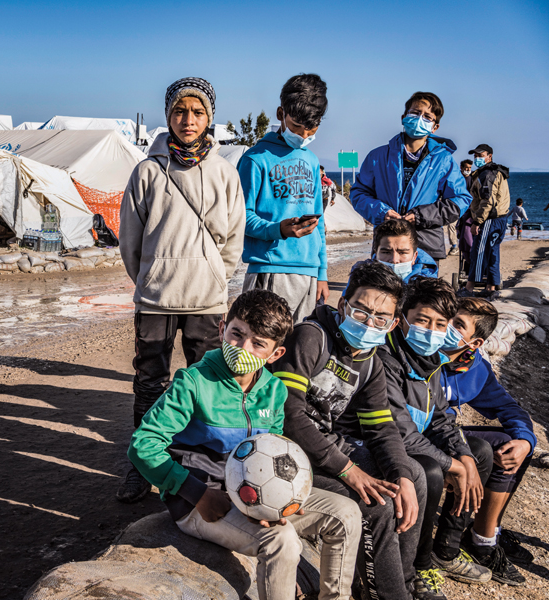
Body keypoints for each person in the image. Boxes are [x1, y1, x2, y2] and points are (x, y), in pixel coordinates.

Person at [128, 290, 362, 600]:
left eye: (258, 344)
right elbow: (143, 446)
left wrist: (276, 500)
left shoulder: (274, 390)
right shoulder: (193, 383)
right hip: (203, 501)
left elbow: (275, 447)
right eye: (237, 334)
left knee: (345, 513)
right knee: (281, 541)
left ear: (275, 354)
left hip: (252, 497)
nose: (243, 347)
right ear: (222, 327)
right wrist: (195, 493)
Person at [118, 77, 244, 503]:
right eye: (179, 111)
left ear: (210, 118)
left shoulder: (225, 172)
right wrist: (150, 280)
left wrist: (215, 280)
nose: (187, 120)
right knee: (149, 382)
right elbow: (130, 241)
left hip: (206, 301)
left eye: (197, 112)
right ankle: (141, 465)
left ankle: (197, 464)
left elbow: (233, 241)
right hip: (155, 300)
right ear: (168, 115)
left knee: (205, 384)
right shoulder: (147, 171)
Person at [273, 260, 426, 600]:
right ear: (343, 305)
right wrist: (348, 469)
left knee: (412, 478)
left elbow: (381, 427)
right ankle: (385, 594)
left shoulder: (370, 360)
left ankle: (401, 583)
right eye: (360, 311)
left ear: (393, 323)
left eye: (380, 318)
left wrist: (399, 472)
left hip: (326, 448)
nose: (369, 322)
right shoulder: (312, 337)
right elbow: (289, 413)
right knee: (375, 503)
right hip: (289, 451)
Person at [379, 277, 494, 599]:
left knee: (481, 451)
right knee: (429, 471)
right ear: (403, 319)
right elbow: (398, 430)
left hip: (414, 439)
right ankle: (420, 562)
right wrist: (454, 466)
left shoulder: (433, 362)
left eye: (439, 324)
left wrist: (466, 458)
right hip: (382, 445)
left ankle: (447, 549)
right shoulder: (388, 358)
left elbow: (441, 417)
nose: (430, 330)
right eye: (422, 321)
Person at [439, 297, 536, 585]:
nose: (445, 327)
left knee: (514, 445)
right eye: (448, 318)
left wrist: (526, 441)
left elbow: (509, 407)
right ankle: (461, 544)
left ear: (475, 343)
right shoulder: (424, 350)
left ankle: (484, 537)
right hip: (419, 436)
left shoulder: (473, 366)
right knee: (481, 450)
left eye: (457, 325)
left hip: (441, 433)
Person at [239, 74, 329, 324]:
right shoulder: (255, 159)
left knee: (298, 350)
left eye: (312, 128)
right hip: (270, 270)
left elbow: (319, 222)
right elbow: (240, 217)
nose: (303, 134)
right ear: (281, 113)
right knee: (260, 347)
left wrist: (321, 272)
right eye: (296, 125)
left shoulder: (311, 160)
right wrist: (277, 229)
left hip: (309, 274)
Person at [350, 92, 472, 263]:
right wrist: (381, 212)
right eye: (415, 113)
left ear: (434, 127)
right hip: (387, 247)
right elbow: (358, 194)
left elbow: (461, 199)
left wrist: (422, 216)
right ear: (404, 117)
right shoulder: (377, 156)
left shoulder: (443, 160)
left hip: (426, 248)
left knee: (422, 290)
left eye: (427, 116)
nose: (420, 118)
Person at [461, 144, 509, 298]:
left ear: (490, 156)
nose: (477, 159)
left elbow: (488, 200)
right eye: (475, 156)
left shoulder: (487, 174)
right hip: (500, 219)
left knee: (478, 252)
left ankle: (469, 288)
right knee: (492, 252)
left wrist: (477, 222)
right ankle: (491, 287)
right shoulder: (495, 172)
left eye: (481, 156)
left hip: (489, 219)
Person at [346, 218, 437, 289]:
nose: (394, 260)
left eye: (402, 252)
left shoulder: (427, 285)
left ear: (414, 256)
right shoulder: (360, 278)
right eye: (386, 252)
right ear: (375, 253)